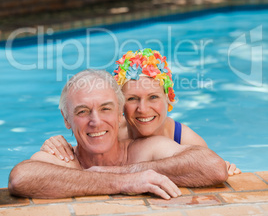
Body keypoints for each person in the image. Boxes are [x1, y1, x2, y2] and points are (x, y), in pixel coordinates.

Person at [9, 69, 228, 200]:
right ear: (66, 119)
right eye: (82, 111)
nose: (96, 122)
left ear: (119, 114)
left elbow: (212, 167)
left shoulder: (147, 149)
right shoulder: (64, 158)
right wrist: (125, 181)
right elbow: (20, 179)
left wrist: (125, 170)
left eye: (106, 109)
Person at [42, 49, 240, 175]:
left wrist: (226, 167)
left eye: (153, 97)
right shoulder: (110, 129)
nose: (143, 109)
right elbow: (85, 142)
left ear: (168, 98)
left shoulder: (185, 139)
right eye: (132, 99)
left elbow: (209, 167)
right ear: (119, 107)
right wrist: (60, 144)